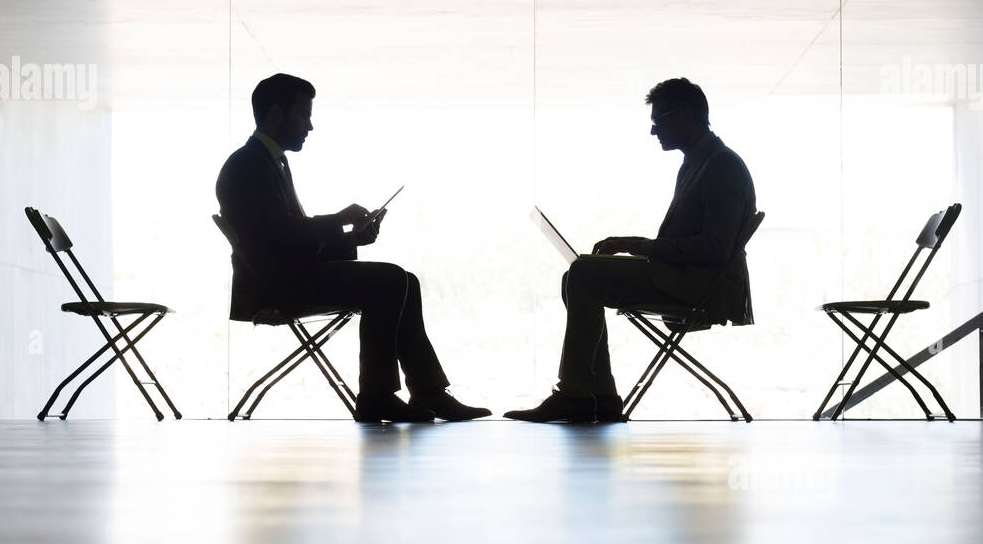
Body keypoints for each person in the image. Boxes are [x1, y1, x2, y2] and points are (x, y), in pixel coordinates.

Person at [215, 73, 489, 423]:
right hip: (277, 287)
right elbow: (278, 234)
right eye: (303, 115)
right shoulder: (249, 166)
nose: (309, 126)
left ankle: (428, 392)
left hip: (285, 276)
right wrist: (337, 221)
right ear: (275, 114)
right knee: (390, 280)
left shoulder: (264, 161)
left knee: (406, 280)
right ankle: (378, 396)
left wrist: (349, 239)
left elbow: (283, 239)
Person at [507, 78, 756, 423]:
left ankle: (578, 395)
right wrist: (637, 248)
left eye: (657, 122)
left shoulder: (721, 166)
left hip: (701, 287)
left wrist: (636, 246)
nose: (654, 132)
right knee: (578, 274)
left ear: (682, 116)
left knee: (583, 273)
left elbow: (714, 247)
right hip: (689, 278)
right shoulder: (704, 162)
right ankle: (599, 394)